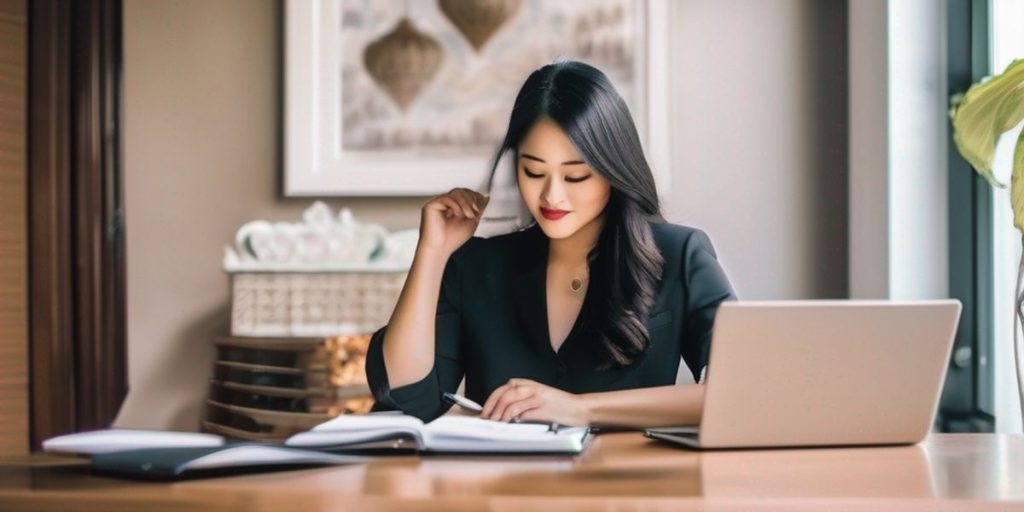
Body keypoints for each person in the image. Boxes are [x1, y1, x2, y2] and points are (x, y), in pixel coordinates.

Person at [365, 60, 735, 429]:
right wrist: (431, 254)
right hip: (500, 485)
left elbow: (738, 393)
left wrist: (580, 409)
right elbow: (409, 402)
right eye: (534, 172)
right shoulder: (476, 266)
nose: (552, 195)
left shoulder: (680, 255)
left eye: (576, 176)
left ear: (613, 169)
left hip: (627, 483)